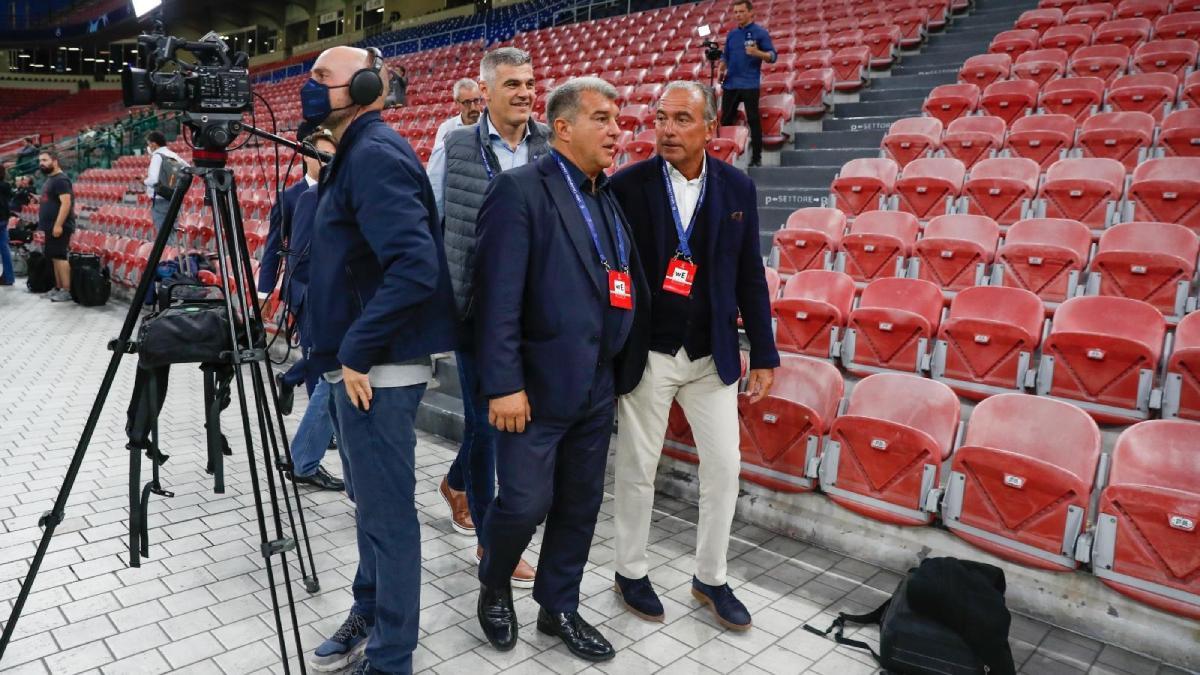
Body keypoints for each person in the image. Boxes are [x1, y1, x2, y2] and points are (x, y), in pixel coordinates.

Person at [473, 77, 646, 663]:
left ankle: (559, 606)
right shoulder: (520, 190)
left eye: (618, 120)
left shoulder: (606, 195)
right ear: (564, 128)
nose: (617, 130)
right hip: (532, 389)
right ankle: (495, 582)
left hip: (596, 384)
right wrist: (503, 384)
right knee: (522, 503)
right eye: (603, 119)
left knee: (578, 505)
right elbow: (494, 297)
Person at [301, 45, 457, 675]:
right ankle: (369, 610)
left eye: (322, 78)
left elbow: (416, 267)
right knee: (370, 507)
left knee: (389, 516)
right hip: (360, 366)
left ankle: (392, 657)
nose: (309, 87)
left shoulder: (372, 154)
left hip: (378, 371)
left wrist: (358, 352)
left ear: (364, 86)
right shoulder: (357, 150)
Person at [608, 81, 779, 630]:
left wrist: (764, 353)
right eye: (661, 118)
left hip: (714, 355)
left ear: (711, 129)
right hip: (652, 352)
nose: (667, 129)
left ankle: (711, 576)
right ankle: (629, 570)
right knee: (638, 468)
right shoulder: (627, 186)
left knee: (725, 470)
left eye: (682, 119)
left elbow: (751, 275)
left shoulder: (737, 188)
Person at [430, 46, 548, 589]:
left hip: (536, 315)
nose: (525, 92)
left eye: (529, 82)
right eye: (512, 85)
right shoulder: (453, 146)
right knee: (485, 423)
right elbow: (430, 222)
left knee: (509, 426)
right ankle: (489, 542)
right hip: (475, 313)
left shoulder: (553, 144)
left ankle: (456, 484)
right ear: (486, 92)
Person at [280, 128, 344, 492]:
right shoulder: (308, 198)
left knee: (331, 380)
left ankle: (305, 457)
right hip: (324, 304)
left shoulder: (348, 196)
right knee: (331, 378)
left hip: (348, 305)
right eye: (322, 156)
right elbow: (299, 260)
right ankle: (304, 459)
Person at [260, 129, 328, 418]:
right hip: (304, 287)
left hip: (338, 287)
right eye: (321, 156)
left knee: (327, 353)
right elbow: (273, 245)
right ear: (305, 156)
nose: (327, 162)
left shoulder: (345, 191)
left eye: (331, 157)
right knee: (315, 350)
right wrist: (264, 293)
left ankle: (288, 379)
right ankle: (320, 428)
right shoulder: (289, 197)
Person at [718, 0, 776, 167]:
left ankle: (756, 158)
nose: (738, 15)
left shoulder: (761, 33)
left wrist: (757, 52)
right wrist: (722, 67)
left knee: (753, 120)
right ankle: (725, 157)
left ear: (751, 13)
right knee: (726, 120)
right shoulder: (731, 34)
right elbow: (725, 56)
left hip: (750, 83)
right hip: (730, 84)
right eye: (735, 12)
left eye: (741, 11)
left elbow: (773, 56)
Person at [37, 150, 75, 302]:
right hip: (50, 226)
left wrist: (58, 225)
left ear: (55, 161)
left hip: (60, 226)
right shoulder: (51, 179)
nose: (41, 163)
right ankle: (58, 287)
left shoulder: (61, 180)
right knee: (53, 257)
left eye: (45, 160)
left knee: (60, 257)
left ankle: (67, 290)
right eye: (40, 160)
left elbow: (66, 203)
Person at [143, 131, 188, 233]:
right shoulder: (173, 155)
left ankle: (168, 249)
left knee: (163, 235)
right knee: (171, 232)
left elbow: (153, 180)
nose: (148, 147)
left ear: (154, 144)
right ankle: (170, 249)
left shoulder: (157, 156)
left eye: (148, 144)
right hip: (173, 197)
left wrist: (144, 181)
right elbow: (188, 168)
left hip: (160, 200)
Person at [429, 78, 484, 159]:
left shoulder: (491, 123)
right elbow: (437, 162)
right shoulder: (446, 129)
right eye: (467, 103)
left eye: (476, 100)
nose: (473, 108)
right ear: (457, 103)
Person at [0, 165, 12, 286]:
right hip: (4, 219)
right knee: (4, 248)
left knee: (4, 248)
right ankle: (8, 277)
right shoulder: (6, 185)